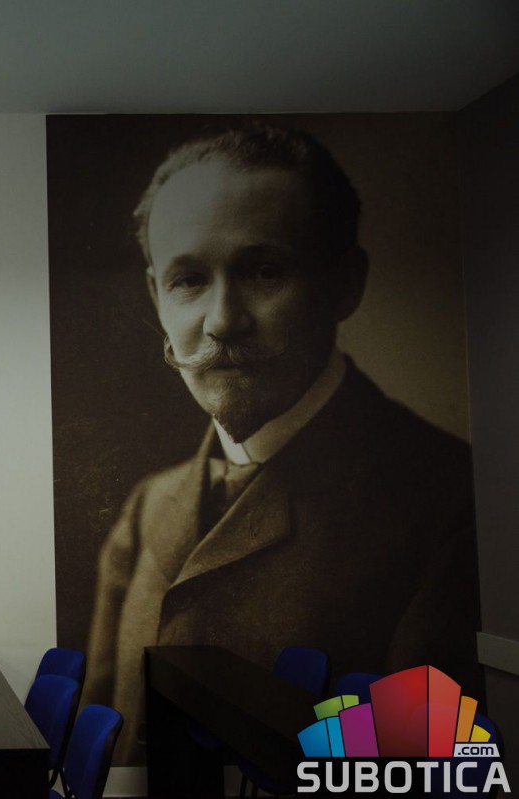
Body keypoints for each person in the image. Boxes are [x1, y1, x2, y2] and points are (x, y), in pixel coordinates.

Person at [83, 122, 481, 764]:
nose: (222, 321)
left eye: (264, 271)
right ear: (156, 295)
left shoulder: (452, 504)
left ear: (344, 283)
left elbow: (428, 765)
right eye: (189, 279)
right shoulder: (146, 508)